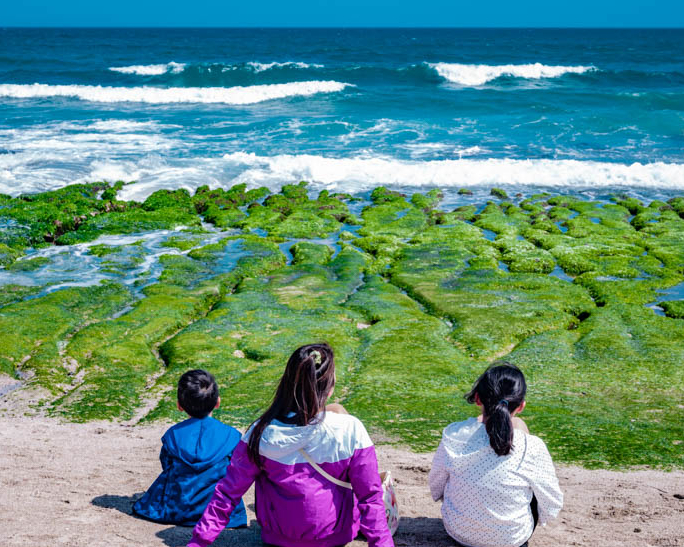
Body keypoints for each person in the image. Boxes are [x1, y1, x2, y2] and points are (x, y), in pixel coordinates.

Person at [187, 343, 394, 547]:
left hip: (278, 537)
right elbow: (370, 498)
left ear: (287, 382)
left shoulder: (260, 431)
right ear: (329, 388)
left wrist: (198, 542)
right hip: (334, 537)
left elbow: (227, 493)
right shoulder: (351, 429)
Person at [429, 362, 563, 547]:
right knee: (531, 481)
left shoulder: (453, 435)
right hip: (510, 540)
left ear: (478, 398)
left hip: (459, 533)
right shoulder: (532, 447)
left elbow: (436, 487)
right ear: (521, 405)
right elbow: (552, 503)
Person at [133, 369, 246, 528]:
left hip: (176, 509)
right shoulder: (231, 436)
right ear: (218, 402)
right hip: (218, 510)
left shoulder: (173, 435)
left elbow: (166, 465)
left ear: (180, 405)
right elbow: (238, 471)